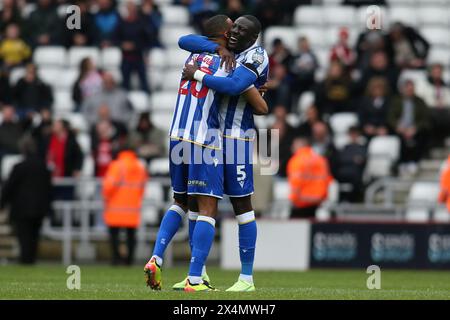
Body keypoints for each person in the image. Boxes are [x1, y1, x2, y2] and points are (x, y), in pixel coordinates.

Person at [145, 15, 268, 293]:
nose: (235, 32)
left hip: (232, 139)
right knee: (200, 205)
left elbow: (250, 99)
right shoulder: (224, 55)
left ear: (253, 37)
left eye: (240, 29)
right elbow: (187, 39)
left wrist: (202, 73)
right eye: (233, 27)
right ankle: (197, 275)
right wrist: (219, 50)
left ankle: (245, 278)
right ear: (225, 34)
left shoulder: (254, 55)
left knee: (239, 206)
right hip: (208, 138)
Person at [0, 136, 52, 264]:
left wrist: (2, 203)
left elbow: (9, 187)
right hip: (39, 208)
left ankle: (25, 260)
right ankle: (31, 259)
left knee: (24, 237)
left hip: (22, 209)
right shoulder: (43, 167)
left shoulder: (19, 167)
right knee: (34, 236)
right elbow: (49, 189)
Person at [103, 142, 148, 265]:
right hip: (133, 208)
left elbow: (108, 186)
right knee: (131, 236)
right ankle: (129, 260)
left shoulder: (117, 165)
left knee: (114, 236)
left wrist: (106, 197)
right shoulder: (140, 167)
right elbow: (142, 187)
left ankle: (116, 259)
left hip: (115, 208)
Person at [388, 79, 431, 174]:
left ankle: (414, 161)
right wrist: (398, 126)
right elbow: (390, 117)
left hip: (415, 129)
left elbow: (425, 119)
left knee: (421, 136)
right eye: (407, 89)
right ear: (403, 89)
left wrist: (415, 128)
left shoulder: (420, 101)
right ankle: (402, 162)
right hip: (400, 128)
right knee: (400, 140)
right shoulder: (396, 101)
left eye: (411, 89)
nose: (409, 91)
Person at [287, 136, 333, 218]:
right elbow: (327, 180)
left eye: (294, 145)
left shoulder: (296, 161)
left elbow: (295, 183)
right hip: (317, 203)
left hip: (301, 204)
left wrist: (294, 199)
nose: (292, 147)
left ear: (300, 145)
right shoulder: (321, 160)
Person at [114, 0, 152, 93]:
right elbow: (115, 39)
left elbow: (147, 39)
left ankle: (147, 100)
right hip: (126, 57)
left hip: (138, 56)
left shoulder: (142, 23)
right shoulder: (122, 24)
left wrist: (134, 46)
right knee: (125, 84)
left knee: (144, 83)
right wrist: (123, 44)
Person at [415, 63, 450, 147]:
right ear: (431, 73)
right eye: (435, 72)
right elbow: (420, 99)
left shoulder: (445, 86)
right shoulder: (423, 84)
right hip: (428, 110)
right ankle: (432, 142)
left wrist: (443, 104)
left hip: (444, 110)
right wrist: (434, 103)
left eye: (439, 72)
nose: (437, 74)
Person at [334, 126, 367, 203]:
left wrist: (352, 160)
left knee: (356, 179)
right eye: (351, 134)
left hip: (355, 173)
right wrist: (352, 159)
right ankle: (341, 199)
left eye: (355, 134)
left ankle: (353, 199)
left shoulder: (361, 147)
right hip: (342, 172)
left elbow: (362, 160)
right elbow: (341, 159)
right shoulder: (345, 147)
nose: (353, 136)